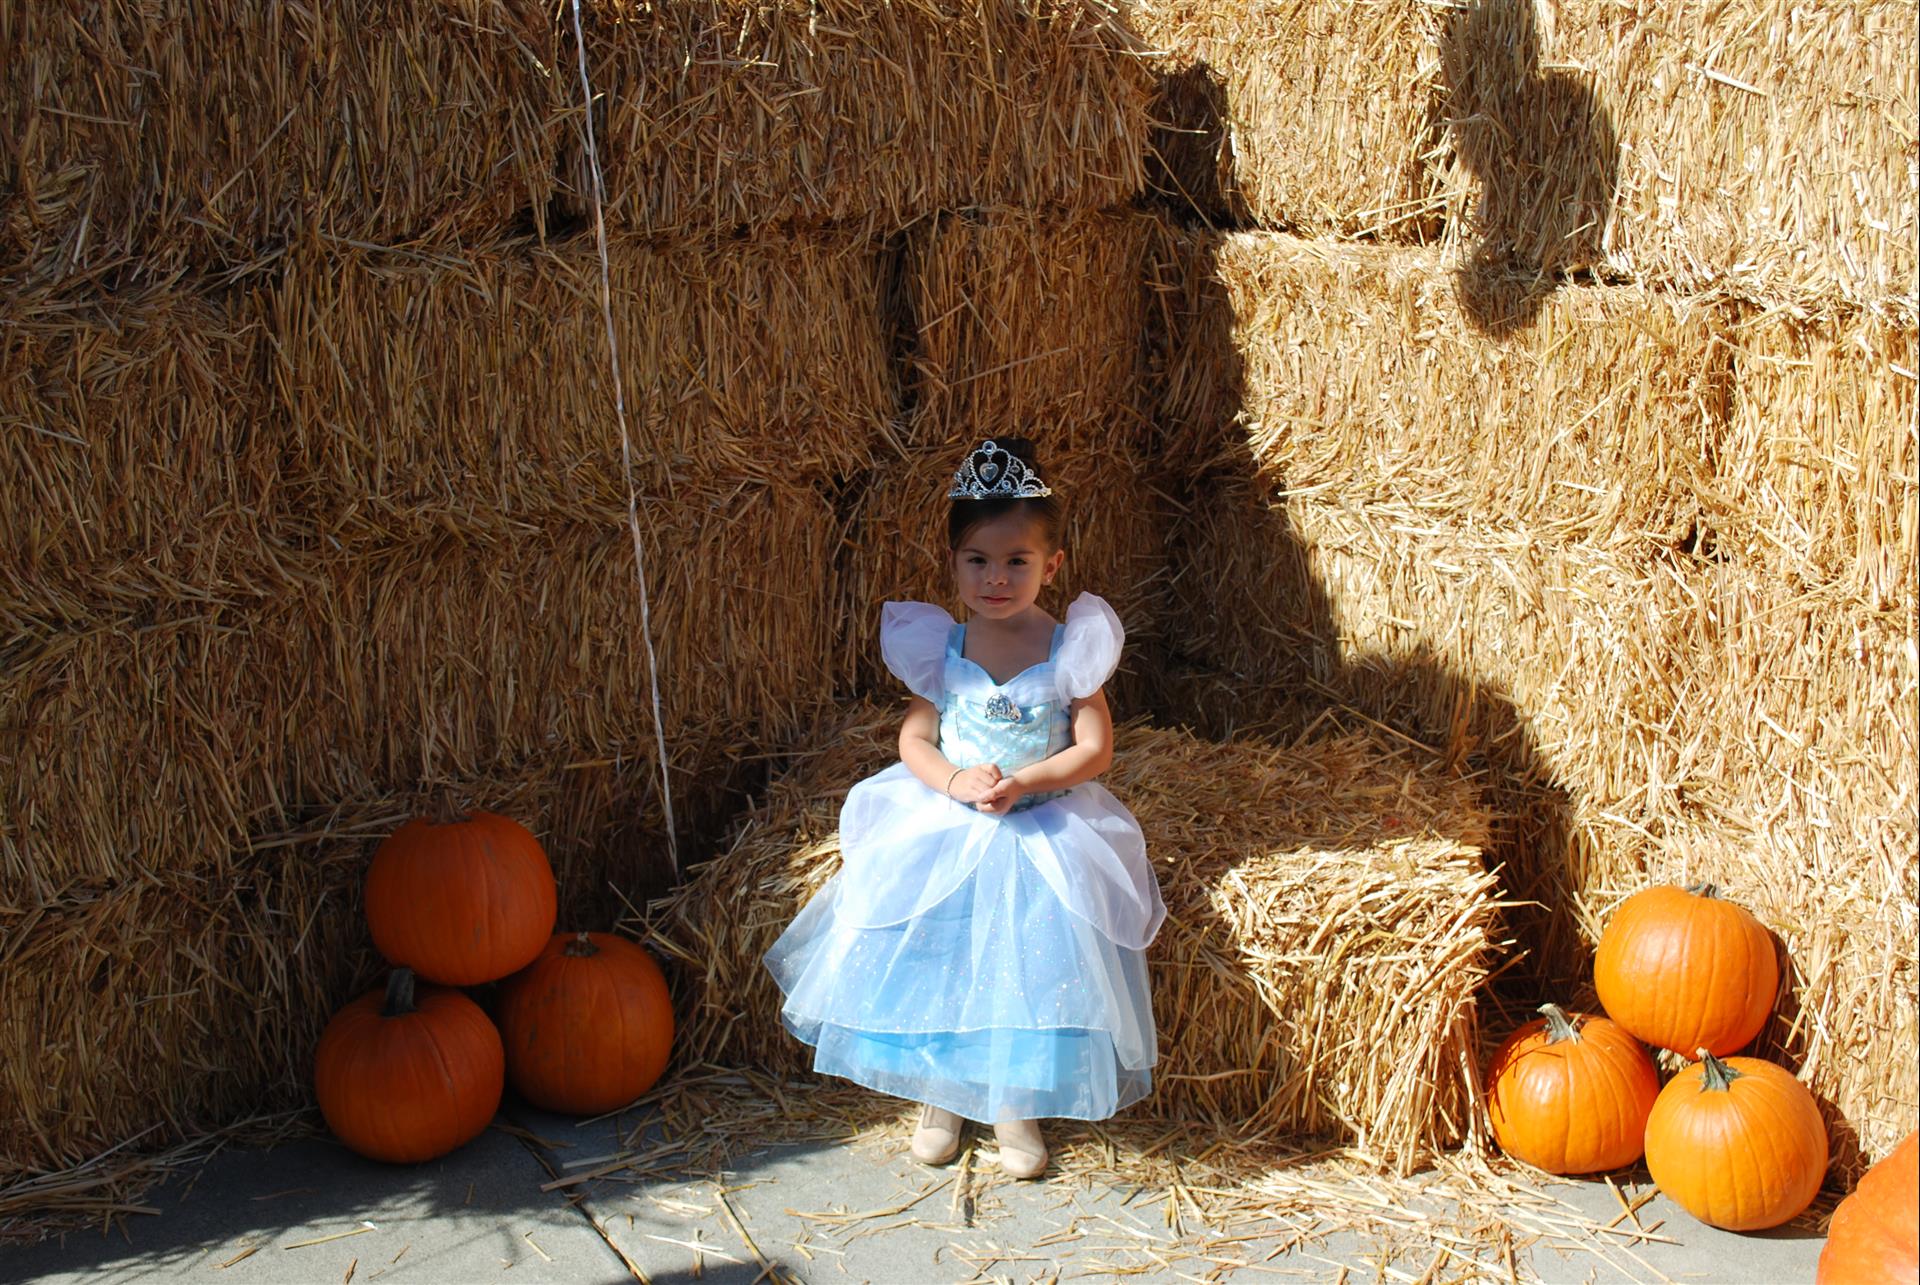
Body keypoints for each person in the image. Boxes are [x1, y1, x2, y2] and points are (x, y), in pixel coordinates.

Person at [763, 437, 1166, 1179]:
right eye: (978, 560)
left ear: (1054, 565)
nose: (996, 577)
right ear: (953, 565)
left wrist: (1029, 779)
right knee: (941, 948)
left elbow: (1096, 747)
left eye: (1017, 560)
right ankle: (940, 1091)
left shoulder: (1067, 645)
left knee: (1026, 956)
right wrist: (951, 781)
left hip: (1041, 820)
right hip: (953, 820)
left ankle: (1014, 1101)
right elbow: (915, 734)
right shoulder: (943, 644)